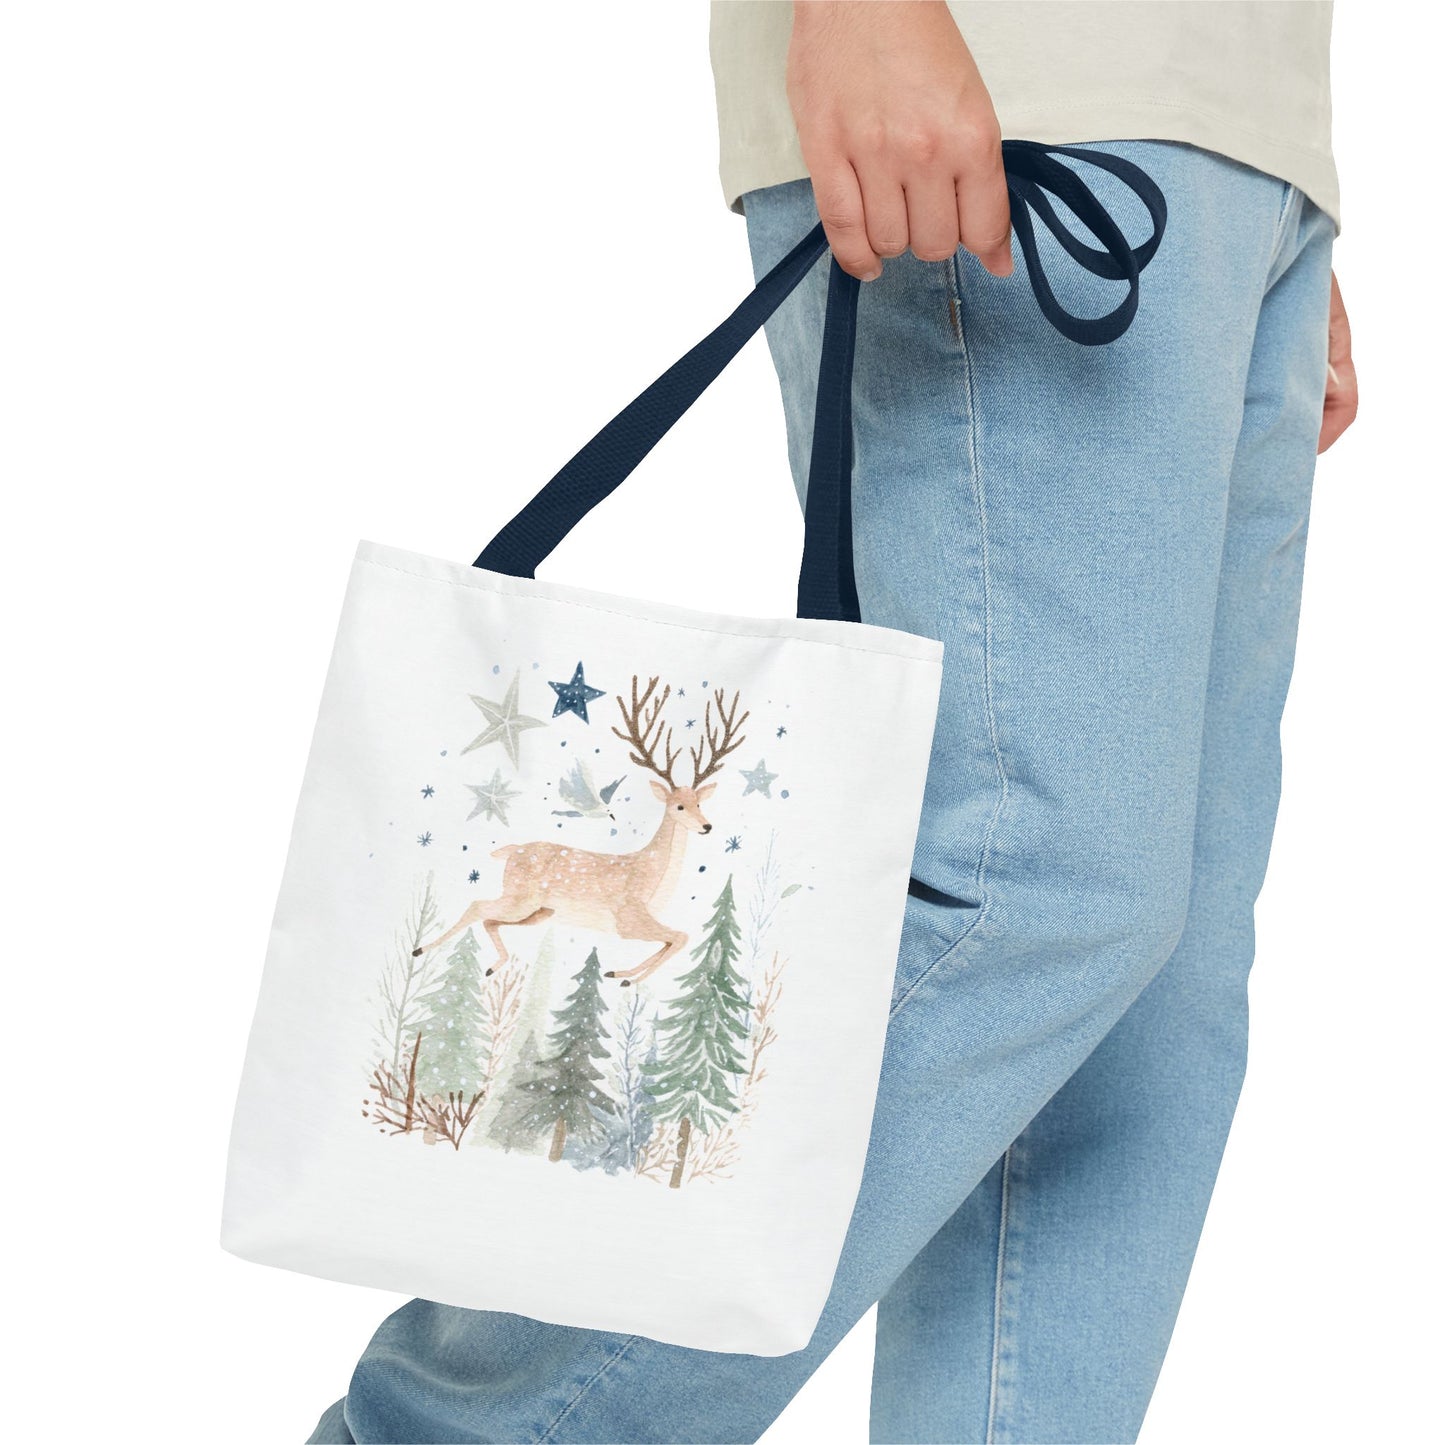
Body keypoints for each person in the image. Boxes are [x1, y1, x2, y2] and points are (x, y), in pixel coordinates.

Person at [307, 3, 1357, 1440]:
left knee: (1147, 1013)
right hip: (1020, 82)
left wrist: (1271, 178)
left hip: (1228, 143)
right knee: (1027, 893)